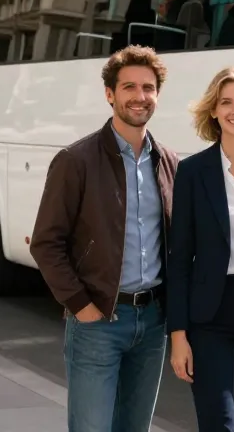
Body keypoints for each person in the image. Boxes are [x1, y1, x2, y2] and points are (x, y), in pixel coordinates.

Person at [30, 46, 180, 432]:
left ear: (158, 95)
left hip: (152, 323)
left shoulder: (168, 162)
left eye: (148, 88)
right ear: (110, 94)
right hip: (98, 322)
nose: (140, 96)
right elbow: (46, 243)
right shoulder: (76, 160)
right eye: (129, 87)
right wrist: (82, 307)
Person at [166, 66, 234, 432]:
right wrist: (178, 335)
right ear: (213, 111)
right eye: (226, 102)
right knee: (218, 421)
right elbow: (180, 259)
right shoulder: (192, 171)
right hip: (210, 314)